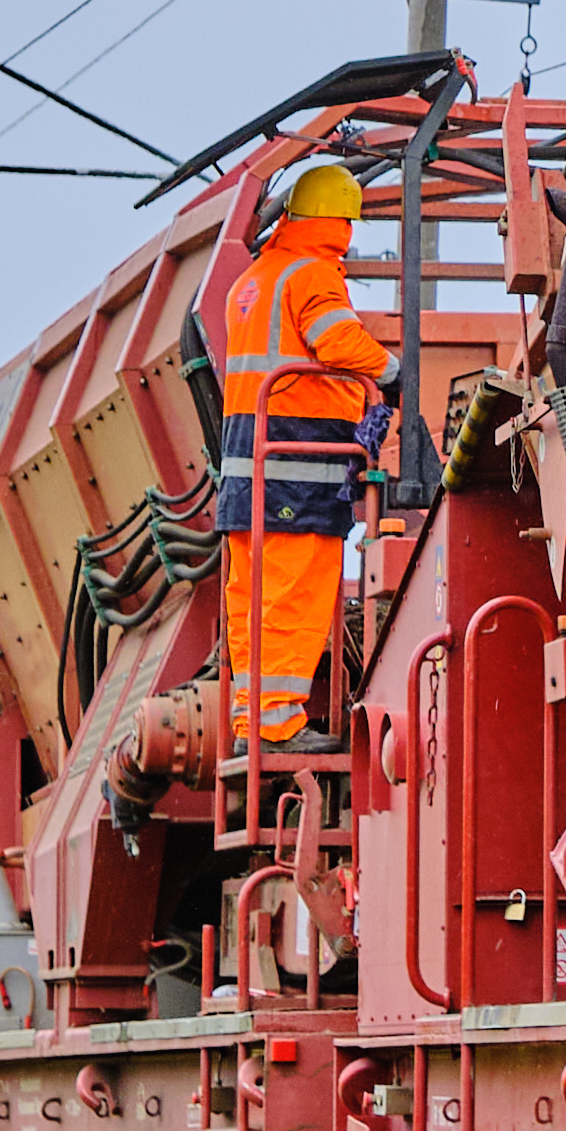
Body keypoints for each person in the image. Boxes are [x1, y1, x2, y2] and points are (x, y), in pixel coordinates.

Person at [211, 151, 395, 756]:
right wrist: (393, 372)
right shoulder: (313, 274)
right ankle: (277, 725)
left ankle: (250, 721)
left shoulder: (253, 280)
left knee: (250, 597)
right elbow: (334, 340)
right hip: (298, 461)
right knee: (296, 590)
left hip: (249, 463)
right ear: (342, 222)